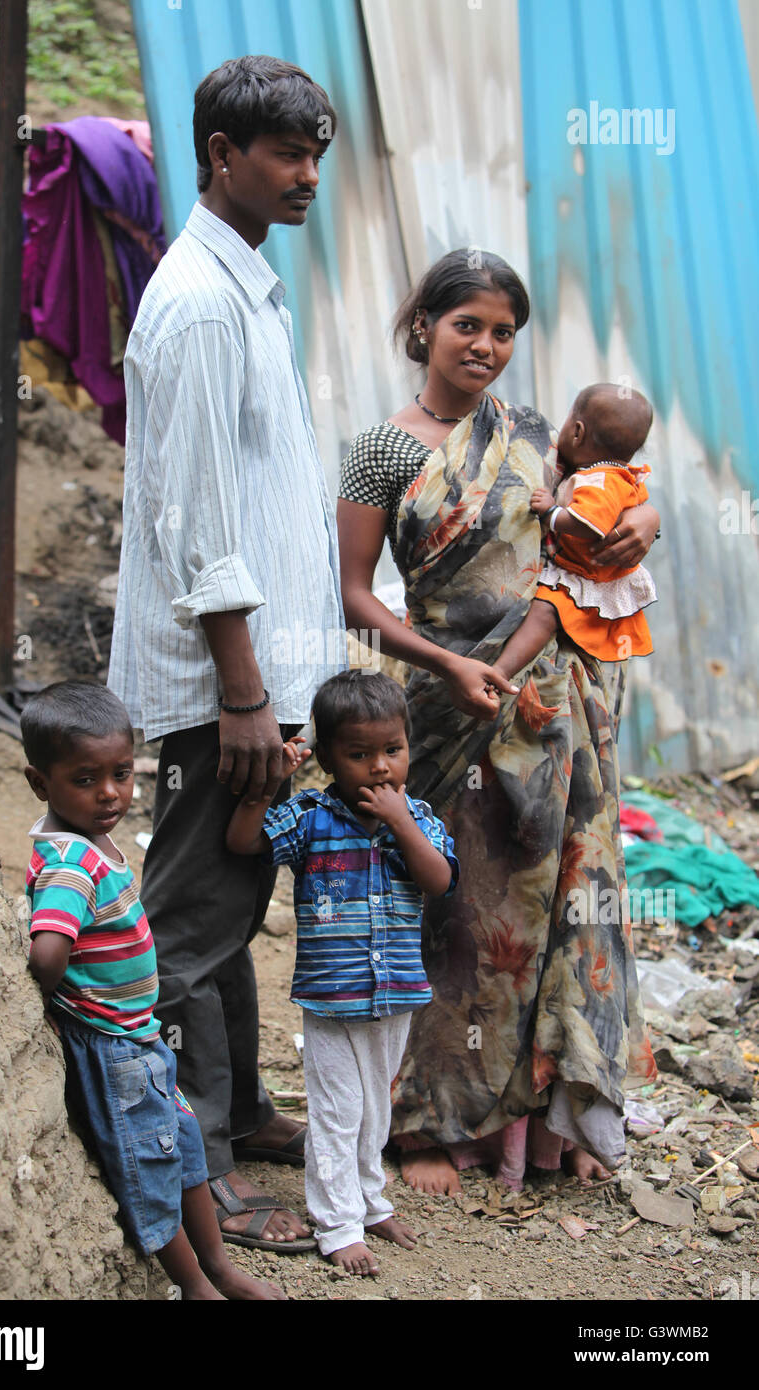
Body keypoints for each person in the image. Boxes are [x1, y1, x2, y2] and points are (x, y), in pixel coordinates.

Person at [338, 249, 658, 1196]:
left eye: (503, 331)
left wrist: (652, 523)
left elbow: (607, 508)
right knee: (458, 911)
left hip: (554, 706)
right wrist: (442, 661)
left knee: (554, 907)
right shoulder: (384, 449)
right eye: (466, 325)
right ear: (424, 327)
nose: (484, 346)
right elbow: (355, 597)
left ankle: (540, 1127)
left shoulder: (532, 436)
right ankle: (430, 1118)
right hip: (445, 706)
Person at [107, 56, 345, 1252]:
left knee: (230, 901)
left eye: (316, 152)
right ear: (218, 157)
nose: (307, 174)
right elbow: (198, 522)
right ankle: (187, 1162)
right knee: (191, 919)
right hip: (223, 685)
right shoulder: (199, 302)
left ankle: (239, 1107)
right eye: (286, 153)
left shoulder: (241, 288)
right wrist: (247, 694)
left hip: (255, 675)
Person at [21, 680, 286, 1300]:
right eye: (86, 780)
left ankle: (217, 1267)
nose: (110, 793)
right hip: (115, 1049)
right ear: (41, 783)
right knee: (154, 1164)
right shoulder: (69, 864)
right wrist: (55, 1004)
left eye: (120, 772)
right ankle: (194, 1283)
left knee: (186, 1146)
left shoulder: (87, 842)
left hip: (138, 1040)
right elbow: (48, 952)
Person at [226, 671, 459, 1274]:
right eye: (359, 754)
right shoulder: (309, 816)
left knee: (377, 1108)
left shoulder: (421, 818)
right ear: (328, 757)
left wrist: (401, 821)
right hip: (332, 997)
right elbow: (243, 842)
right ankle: (336, 1224)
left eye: (392, 750)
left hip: (398, 992)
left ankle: (369, 1200)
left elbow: (439, 880)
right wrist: (268, 788)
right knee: (337, 1110)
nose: (380, 767)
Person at [493, 383, 656, 680]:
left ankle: (500, 672)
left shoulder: (600, 481)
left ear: (577, 432)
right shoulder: (613, 476)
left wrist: (552, 513)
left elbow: (590, 524)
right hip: (585, 570)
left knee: (545, 613)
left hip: (586, 577)